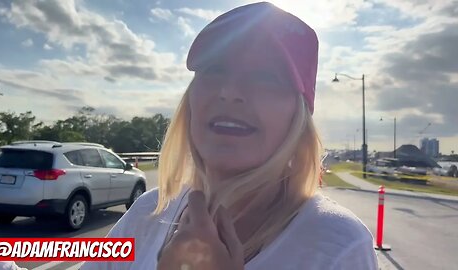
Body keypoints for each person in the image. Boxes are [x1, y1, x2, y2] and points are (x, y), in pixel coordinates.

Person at [81, 2, 379, 269]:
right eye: (215, 69)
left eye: (266, 76)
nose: (229, 92)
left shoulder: (337, 247)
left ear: (298, 117)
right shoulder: (148, 210)